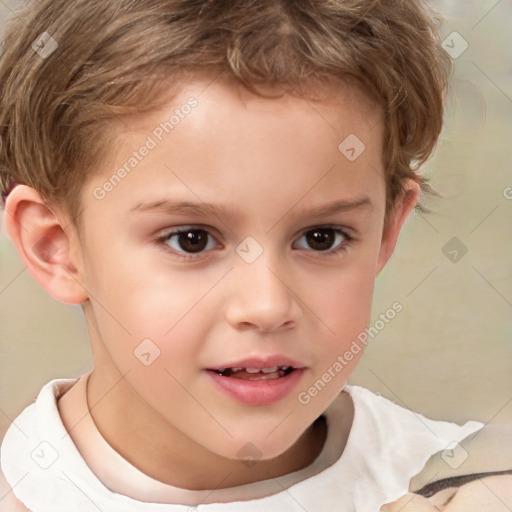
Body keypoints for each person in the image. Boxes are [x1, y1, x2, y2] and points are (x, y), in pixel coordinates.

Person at [0, 0, 509, 510]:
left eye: (322, 238)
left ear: (385, 231)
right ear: (56, 248)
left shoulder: (467, 483)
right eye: (191, 239)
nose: (267, 306)